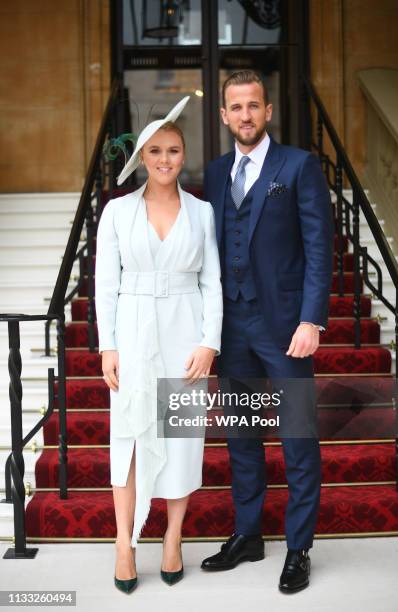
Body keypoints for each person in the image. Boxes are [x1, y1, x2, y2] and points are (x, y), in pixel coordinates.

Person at [200, 70, 334, 593]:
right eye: (236, 107)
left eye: (254, 105)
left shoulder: (298, 165)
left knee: (299, 437)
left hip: (284, 326)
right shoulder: (213, 174)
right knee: (241, 438)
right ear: (224, 115)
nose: (246, 115)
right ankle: (248, 534)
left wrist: (311, 319)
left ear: (268, 111)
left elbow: (319, 247)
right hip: (231, 326)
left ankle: (298, 548)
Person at [95, 96, 223, 593]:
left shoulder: (204, 212)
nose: (165, 159)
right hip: (132, 331)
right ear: (141, 158)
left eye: (173, 150)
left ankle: (172, 536)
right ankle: (124, 541)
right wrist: (109, 346)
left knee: (182, 440)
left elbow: (211, 283)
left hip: (185, 332)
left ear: (182, 154)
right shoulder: (116, 212)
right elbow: (106, 285)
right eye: (155, 151)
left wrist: (209, 342)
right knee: (127, 438)